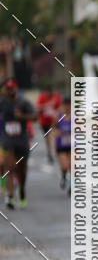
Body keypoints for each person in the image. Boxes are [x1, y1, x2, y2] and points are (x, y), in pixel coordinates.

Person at [0, 78, 37, 209]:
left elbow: (35, 116)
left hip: (21, 141)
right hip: (7, 140)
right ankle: (10, 197)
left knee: (22, 170)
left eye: (12, 89)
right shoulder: (2, 102)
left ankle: (21, 189)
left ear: (16, 89)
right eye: (7, 89)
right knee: (10, 168)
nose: (9, 91)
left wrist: (22, 116)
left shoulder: (23, 102)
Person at [35, 89, 62, 162]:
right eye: (47, 93)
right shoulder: (41, 97)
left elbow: (61, 107)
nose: (49, 95)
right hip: (44, 122)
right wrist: (46, 105)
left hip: (53, 122)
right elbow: (37, 107)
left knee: (52, 136)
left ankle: (54, 152)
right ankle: (49, 151)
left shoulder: (56, 97)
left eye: (50, 93)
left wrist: (56, 112)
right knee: (47, 139)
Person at [52, 95, 72, 193]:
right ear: (63, 105)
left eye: (69, 105)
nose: (67, 107)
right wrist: (56, 133)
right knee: (65, 166)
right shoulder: (58, 117)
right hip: (61, 145)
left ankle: (71, 186)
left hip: (72, 145)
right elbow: (53, 129)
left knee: (73, 166)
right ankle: (64, 176)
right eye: (66, 105)